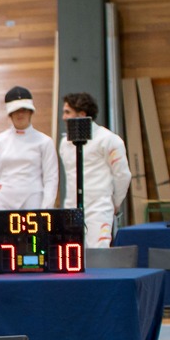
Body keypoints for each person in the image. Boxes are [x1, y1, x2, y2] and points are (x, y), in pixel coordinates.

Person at [61, 91, 132, 238]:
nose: (64, 117)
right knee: (73, 252)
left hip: (99, 210)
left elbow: (122, 175)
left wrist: (114, 203)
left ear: (82, 114)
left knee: (98, 251)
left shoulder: (108, 140)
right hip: (71, 211)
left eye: (68, 112)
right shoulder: (65, 143)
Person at [0, 86, 57, 210]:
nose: (20, 114)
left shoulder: (45, 142)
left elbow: (51, 178)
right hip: (3, 202)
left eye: (24, 110)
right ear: (10, 114)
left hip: (34, 201)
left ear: (30, 112)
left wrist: (46, 210)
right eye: (16, 110)